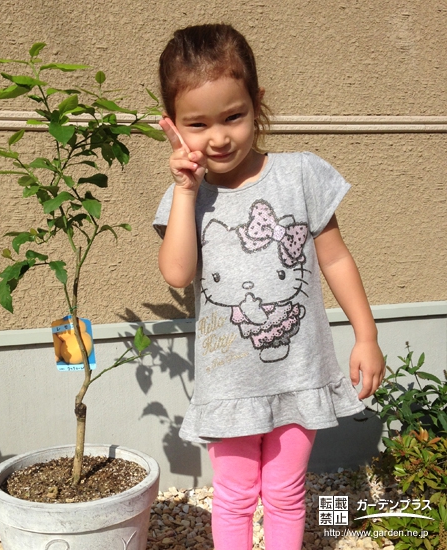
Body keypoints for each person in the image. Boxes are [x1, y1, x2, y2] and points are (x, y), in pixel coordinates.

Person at [153, 23, 385, 550]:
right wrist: (186, 191)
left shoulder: (301, 175)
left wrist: (366, 335)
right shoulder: (184, 199)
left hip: (299, 372)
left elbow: (336, 258)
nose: (218, 136)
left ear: (257, 103)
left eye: (233, 115)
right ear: (173, 127)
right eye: (198, 124)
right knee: (234, 496)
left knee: (285, 490)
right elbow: (177, 273)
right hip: (229, 386)